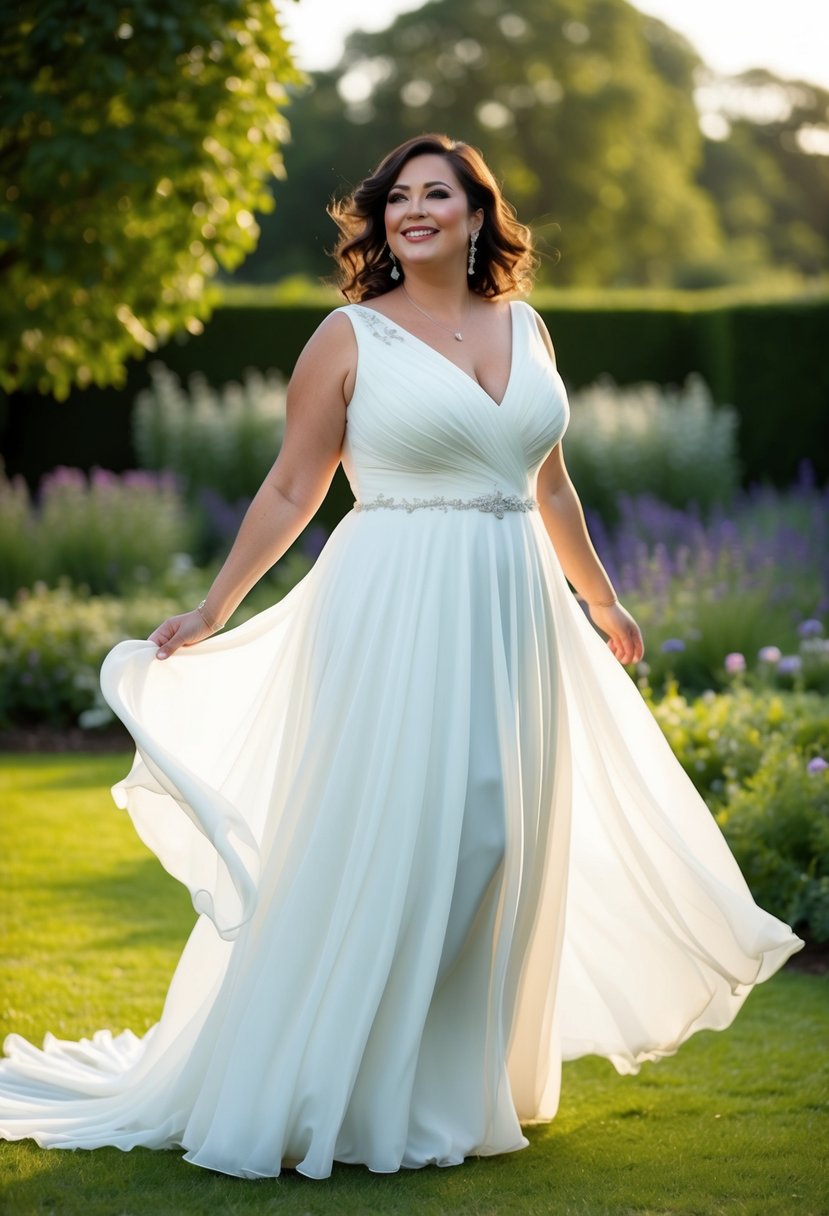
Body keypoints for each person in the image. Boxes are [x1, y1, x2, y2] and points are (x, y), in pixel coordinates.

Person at [0, 134, 803, 1180]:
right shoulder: (348, 337)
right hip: (394, 602)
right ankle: (333, 1083)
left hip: (510, 602)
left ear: (479, 216)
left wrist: (599, 596)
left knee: (505, 838)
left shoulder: (526, 327)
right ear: (382, 225)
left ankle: (448, 1087)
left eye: (439, 194)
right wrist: (211, 605)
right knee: (411, 827)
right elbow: (293, 489)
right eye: (399, 199)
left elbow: (548, 482)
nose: (415, 211)